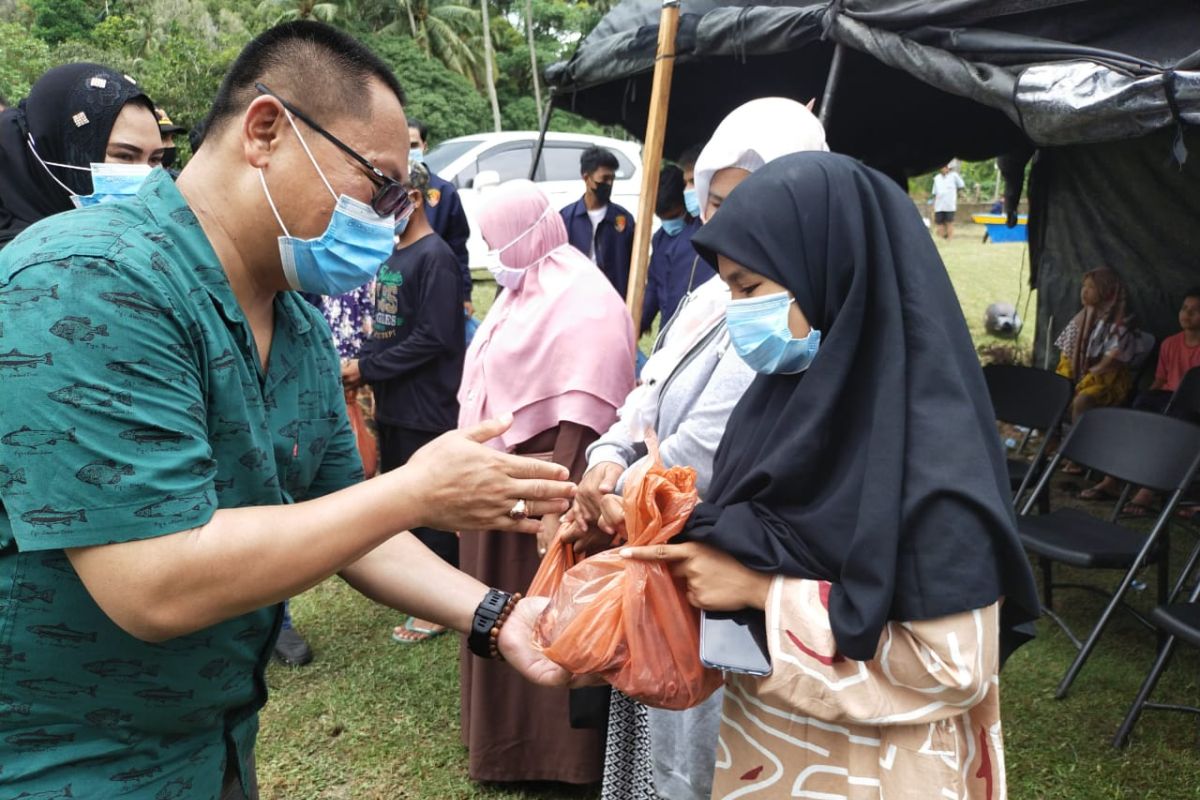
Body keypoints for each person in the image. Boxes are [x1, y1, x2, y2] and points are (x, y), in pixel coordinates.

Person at [0, 22, 576, 799]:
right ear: (266, 131)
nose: (387, 216)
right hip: (65, 762)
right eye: (378, 184)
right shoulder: (91, 277)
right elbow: (153, 580)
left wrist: (496, 614)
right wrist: (413, 491)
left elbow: (348, 519)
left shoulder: (294, 317)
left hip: (215, 744)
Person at [617, 151, 1040, 799]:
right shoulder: (781, 403)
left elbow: (955, 665)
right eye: (729, 289)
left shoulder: (929, 452)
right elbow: (758, 525)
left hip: (878, 769)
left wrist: (763, 593)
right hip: (771, 751)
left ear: (830, 271)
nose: (738, 315)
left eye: (749, 288)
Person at [563, 96, 829, 800]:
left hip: (716, 563)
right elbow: (643, 389)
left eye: (744, 200)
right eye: (713, 201)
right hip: (657, 545)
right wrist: (607, 458)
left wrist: (618, 491)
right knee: (653, 732)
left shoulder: (787, 306)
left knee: (700, 754)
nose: (726, 223)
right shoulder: (715, 292)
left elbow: (702, 455)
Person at [459, 179, 636, 785]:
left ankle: (553, 757)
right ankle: (501, 744)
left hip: (552, 488)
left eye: (494, 240)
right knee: (502, 610)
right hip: (505, 481)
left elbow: (589, 410)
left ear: (523, 235)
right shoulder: (522, 290)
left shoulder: (584, 298)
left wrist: (557, 499)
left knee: (551, 613)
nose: (489, 253)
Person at [342, 161, 467, 643]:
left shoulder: (435, 257)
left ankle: (440, 603)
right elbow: (387, 327)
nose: (379, 212)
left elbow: (435, 337)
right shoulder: (394, 256)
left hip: (425, 403)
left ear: (414, 200)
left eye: (387, 202)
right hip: (393, 400)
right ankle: (421, 591)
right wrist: (366, 368)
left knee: (429, 503)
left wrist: (369, 368)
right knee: (401, 496)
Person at [0, 63, 165, 250]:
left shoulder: (146, 242)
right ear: (56, 152)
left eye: (155, 159)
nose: (147, 177)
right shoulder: (18, 262)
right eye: (125, 156)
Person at [1080, 286, 1200, 512]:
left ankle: (1147, 491)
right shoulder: (1170, 344)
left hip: (1190, 408)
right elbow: (1160, 380)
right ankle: (1111, 480)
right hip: (1166, 399)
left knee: (1171, 422)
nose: (1187, 314)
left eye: (1195, 310)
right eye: (1185, 308)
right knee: (1139, 413)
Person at [1054, 267, 1145, 430]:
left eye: (1091, 287)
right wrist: (1067, 380)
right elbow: (1066, 356)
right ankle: (1052, 438)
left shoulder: (1122, 325)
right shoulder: (1081, 318)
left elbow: (1108, 365)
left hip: (1106, 381)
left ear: (1106, 291)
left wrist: (1081, 382)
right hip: (1076, 376)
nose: (1085, 291)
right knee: (1053, 389)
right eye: (1084, 286)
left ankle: (1079, 447)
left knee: (1082, 400)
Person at [409, 117, 473, 313]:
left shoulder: (444, 191)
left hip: (435, 286)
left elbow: (458, 248)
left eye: (412, 145)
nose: (406, 150)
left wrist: (465, 294)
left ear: (424, 146)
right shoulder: (383, 189)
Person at [638, 164, 706, 336]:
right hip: (668, 328)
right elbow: (654, 285)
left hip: (694, 330)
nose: (669, 224)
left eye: (674, 216)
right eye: (663, 219)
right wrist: (639, 323)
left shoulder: (702, 237)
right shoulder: (659, 239)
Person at [560, 145, 635, 296]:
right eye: (604, 179)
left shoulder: (623, 220)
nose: (609, 184)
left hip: (613, 301)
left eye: (612, 179)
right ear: (586, 178)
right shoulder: (566, 219)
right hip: (576, 300)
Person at [932, 162, 965, 239]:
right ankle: (942, 237)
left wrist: (956, 193)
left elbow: (961, 185)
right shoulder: (937, 178)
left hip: (949, 204)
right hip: (939, 205)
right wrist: (933, 205)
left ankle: (950, 238)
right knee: (939, 223)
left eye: (945, 167)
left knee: (949, 222)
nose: (943, 169)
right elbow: (935, 192)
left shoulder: (954, 176)